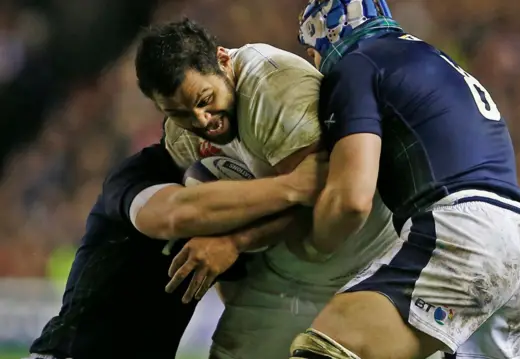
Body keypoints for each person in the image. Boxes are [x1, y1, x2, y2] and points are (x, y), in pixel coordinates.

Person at [289, 1, 520, 359]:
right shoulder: (428, 56)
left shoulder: (358, 62)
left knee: (327, 344)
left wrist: (302, 253)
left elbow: (351, 200)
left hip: (462, 233)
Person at [133, 18, 399, 359]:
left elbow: (318, 199)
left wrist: (235, 241)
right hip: (294, 268)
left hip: (370, 252)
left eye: (205, 99)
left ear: (224, 61)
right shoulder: (180, 138)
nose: (201, 121)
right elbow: (220, 238)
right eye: (179, 113)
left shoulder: (272, 85)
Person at [25, 136, 324, 359]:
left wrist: (238, 242)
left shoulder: (237, 213)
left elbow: (243, 304)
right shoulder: (140, 172)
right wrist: (293, 187)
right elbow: (173, 217)